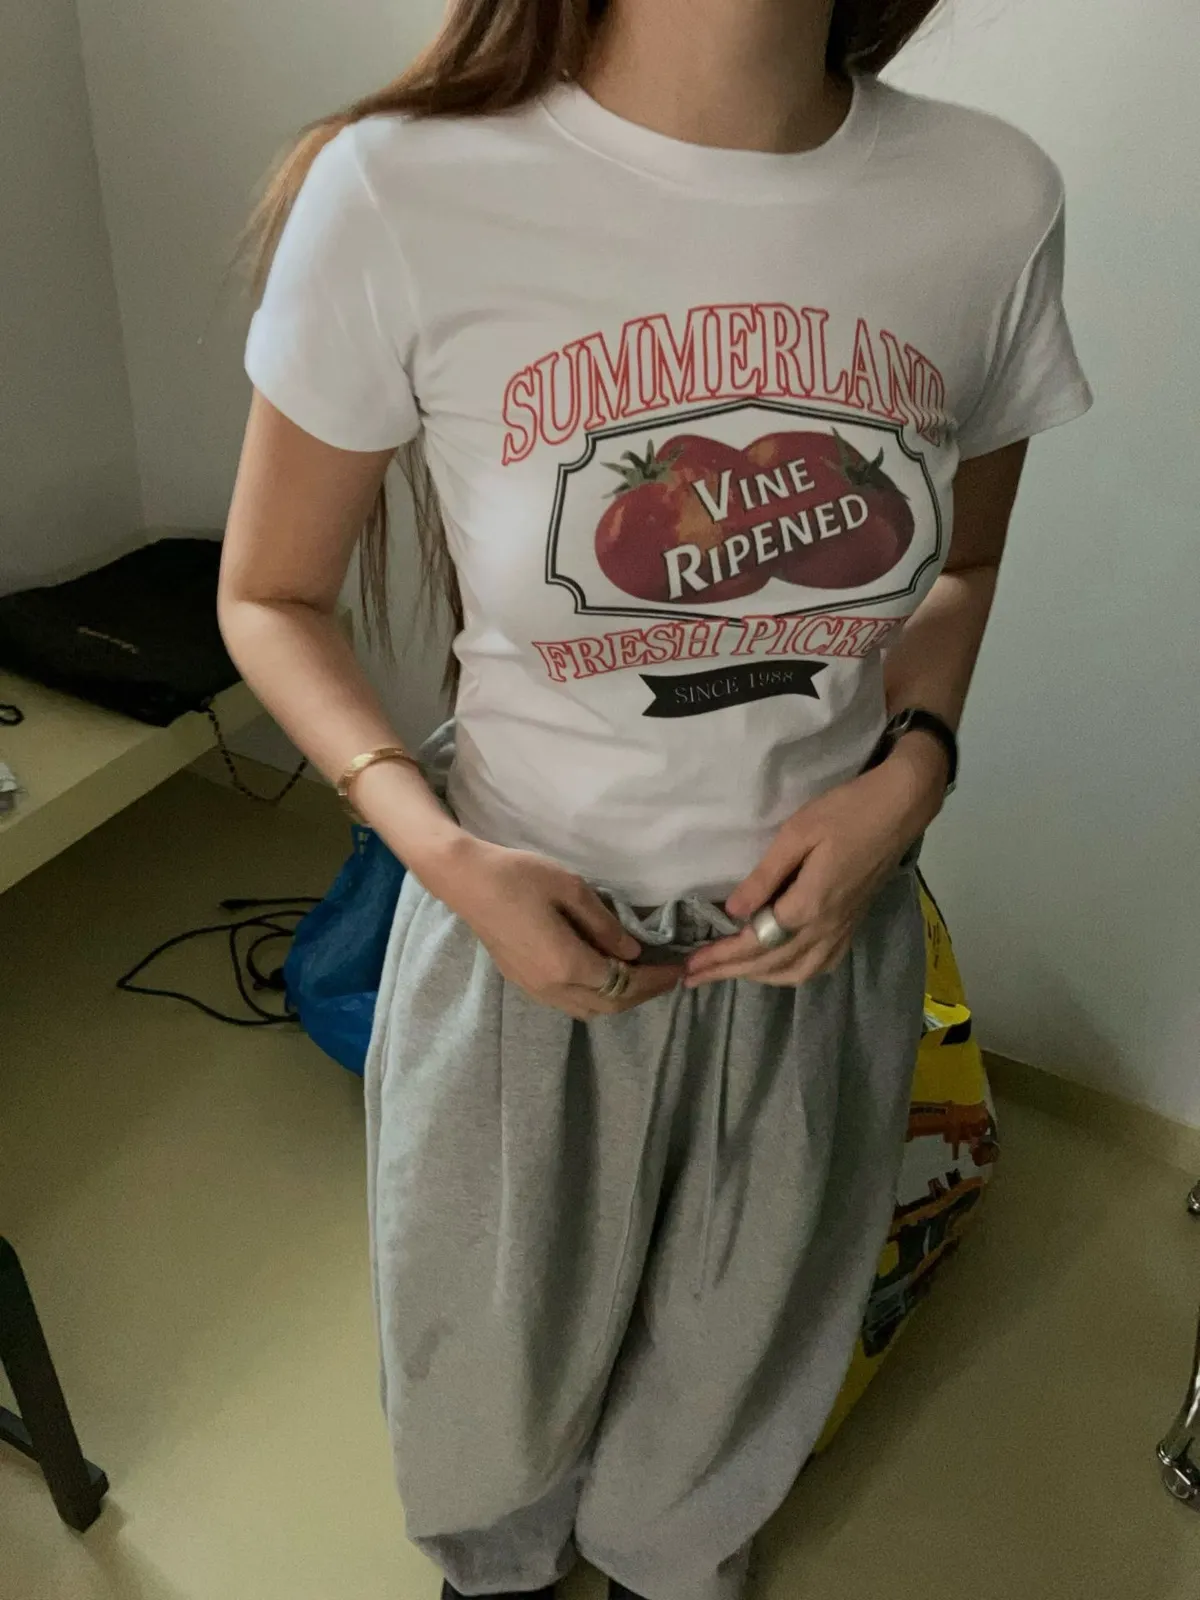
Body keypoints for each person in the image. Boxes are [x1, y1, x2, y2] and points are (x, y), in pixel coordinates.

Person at [219, 1, 1092, 1595]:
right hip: (516, 949)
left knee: (720, 1420)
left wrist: (911, 777)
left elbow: (958, 565)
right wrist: (439, 853)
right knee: (486, 1421)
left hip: (816, 960)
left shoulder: (990, 200)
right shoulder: (401, 189)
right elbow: (269, 596)